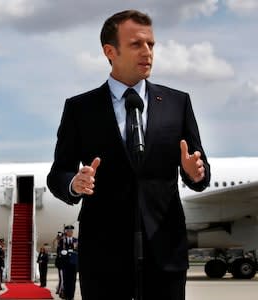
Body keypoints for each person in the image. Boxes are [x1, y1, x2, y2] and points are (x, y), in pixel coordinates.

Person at [47, 9, 210, 300]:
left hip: (165, 250)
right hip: (104, 254)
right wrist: (75, 183)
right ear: (110, 51)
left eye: (151, 45)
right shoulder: (80, 109)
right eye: (137, 44)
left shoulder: (177, 103)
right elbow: (58, 173)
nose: (147, 52)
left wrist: (194, 172)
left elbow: (200, 170)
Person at [57, 225, 78, 300]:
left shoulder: (76, 240)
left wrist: (72, 251)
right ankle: (66, 295)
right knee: (66, 280)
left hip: (73, 263)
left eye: (71, 231)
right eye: (68, 231)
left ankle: (71, 296)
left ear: (72, 232)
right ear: (66, 232)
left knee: (73, 280)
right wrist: (62, 252)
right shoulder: (62, 241)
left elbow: (77, 250)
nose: (70, 232)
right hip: (65, 263)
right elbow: (59, 250)